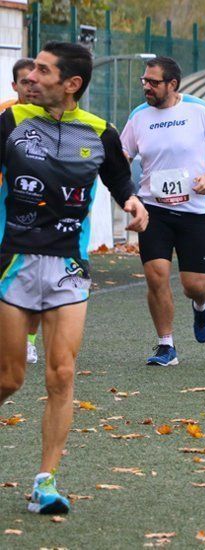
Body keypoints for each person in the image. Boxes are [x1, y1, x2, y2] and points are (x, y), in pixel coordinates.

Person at [0, 41, 148, 514]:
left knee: (61, 373)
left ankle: (45, 481)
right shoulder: (10, 122)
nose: (31, 77)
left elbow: (119, 180)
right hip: (15, 262)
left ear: (71, 84)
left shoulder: (100, 132)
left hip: (67, 266)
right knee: (10, 377)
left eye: (42, 71)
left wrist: (132, 203)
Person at [121, 56, 205, 366]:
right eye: (145, 81)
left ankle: (201, 305)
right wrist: (127, 194)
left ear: (172, 84)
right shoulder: (138, 116)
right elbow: (122, 155)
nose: (146, 86)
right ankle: (166, 345)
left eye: (153, 82)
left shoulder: (199, 111)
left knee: (193, 285)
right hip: (153, 210)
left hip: (194, 211)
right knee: (156, 275)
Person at [0, 58, 42, 364]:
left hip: (45, 214)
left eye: (36, 80)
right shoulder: (5, 116)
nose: (32, 86)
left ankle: (28, 341)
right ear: (15, 86)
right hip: (7, 208)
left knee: (35, 279)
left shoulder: (56, 117)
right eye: (25, 82)